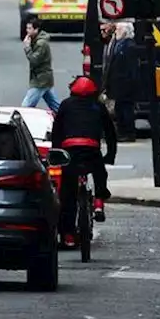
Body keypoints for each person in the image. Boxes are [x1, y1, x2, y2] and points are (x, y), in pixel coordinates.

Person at [52, 75, 118, 246]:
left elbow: (57, 130)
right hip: (91, 148)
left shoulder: (66, 105)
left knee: (67, 194)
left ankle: (68, 236)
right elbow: (110, 133)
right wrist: (110, 155)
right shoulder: (98, 106)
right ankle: (98, 202)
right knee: (99, 173)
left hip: (70, 150)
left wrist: (56, 154)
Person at [105, 22, 139, 141]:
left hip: (126, 85)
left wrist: (130, 85)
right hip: (117, 85)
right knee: (119, 109)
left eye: (118, 29)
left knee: (126, 110)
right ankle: (122, 131)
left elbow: (132, 68)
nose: (116, 31)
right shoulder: (118, 43)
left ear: (125, 31)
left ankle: (128, 133)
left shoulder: (130, 46)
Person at [21, 17, 60, 111]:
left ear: (36, 29)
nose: (27, 31)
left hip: (40, 80)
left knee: (25, 107)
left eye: (30, 28)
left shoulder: (41, 44)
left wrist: (27, 47)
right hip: (43, 78)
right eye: (27, 28)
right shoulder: (36, 41)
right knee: (55, 106)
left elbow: (34, 60)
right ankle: (67, 119)